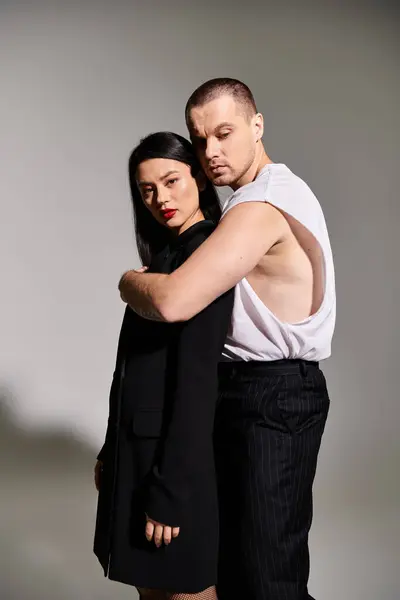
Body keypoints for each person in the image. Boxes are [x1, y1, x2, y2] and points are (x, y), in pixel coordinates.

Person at [118, 78, 336, 600]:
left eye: (224, 133)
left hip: (271, 397)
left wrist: (128, 281)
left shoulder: (261, 204)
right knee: (240, 575)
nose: (211, 152)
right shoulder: (270, 194)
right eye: (200, 140)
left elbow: (172, 301)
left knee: (268, 582)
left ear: (257, 126)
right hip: (252, 392)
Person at [93, 131, 234, 600]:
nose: (161, 198)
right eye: (147, 190)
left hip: (174, 469)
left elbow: (196, 383)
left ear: (197, 176)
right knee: (152, 591)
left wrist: (171, 493)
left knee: (183, 591)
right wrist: (111, 450)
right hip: (140, 459)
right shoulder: (165, 256)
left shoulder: (206, 251)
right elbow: (132, 370)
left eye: (171, 181)